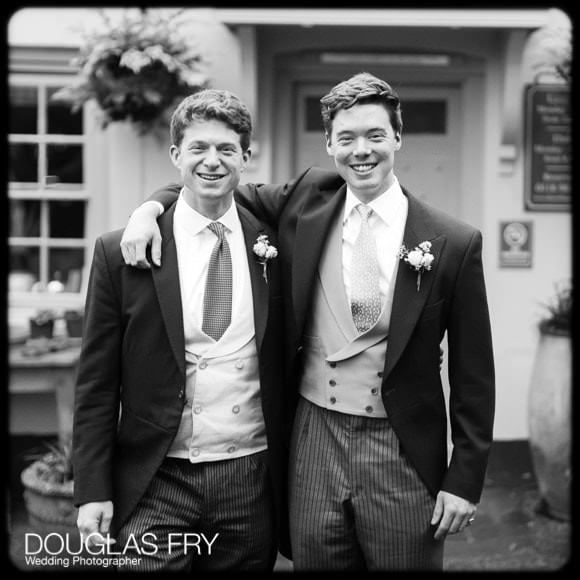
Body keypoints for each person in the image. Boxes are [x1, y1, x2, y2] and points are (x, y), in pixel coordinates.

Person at [120, 72, 495, 571]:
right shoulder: (304, 202)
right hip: (313, 439)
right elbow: (212, 178)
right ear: (330, 145)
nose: (361, 150)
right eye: (346, 138)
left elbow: (475, 376)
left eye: (375, 136)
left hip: (403, 449)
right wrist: (149, 208)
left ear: (398, 139)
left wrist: (463, 481)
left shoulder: (454, 241)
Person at [72, 89, 291, 572]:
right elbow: (96, 384)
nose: (212, 161)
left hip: (250, 478)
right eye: (198, 148)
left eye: (226, 150)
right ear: (175, 155)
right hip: (156, 477)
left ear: (245, 158)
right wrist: (92, 489)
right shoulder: (120, 253)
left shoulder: (279, 241)